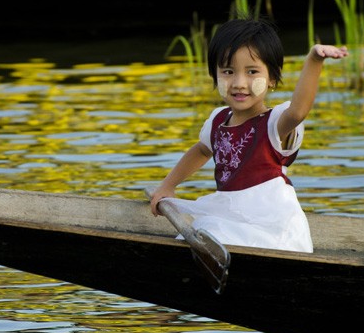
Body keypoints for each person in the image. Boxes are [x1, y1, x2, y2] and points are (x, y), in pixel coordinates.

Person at [149, 18, 348, 253]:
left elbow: (298, 111)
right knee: (203, 235)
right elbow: (202, 150)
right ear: (215, 76)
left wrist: (314, 60)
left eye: (252, 72)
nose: (239, 83)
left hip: (270, 225)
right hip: (229, 213)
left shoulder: (274, 124)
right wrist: (167, 186)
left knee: (215, 237)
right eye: (228, 72)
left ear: (272, 78)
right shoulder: (218, 120)